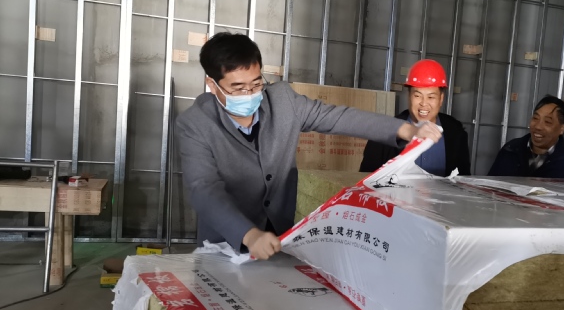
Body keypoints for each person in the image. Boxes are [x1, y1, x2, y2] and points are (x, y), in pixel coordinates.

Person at [176, 33, 442, 260]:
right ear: (212, 85)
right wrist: (248, 234)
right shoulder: (195, 124)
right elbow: (204, 189)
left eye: (256, 84)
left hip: (280, 238)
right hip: (226, 244)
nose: (250, 94)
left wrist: (406, 129)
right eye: (238, 88)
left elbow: (337, 118)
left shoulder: (282, 101)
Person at [359, 59, 471, 177]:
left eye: (431, 97)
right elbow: (365, 180)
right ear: (409, 96)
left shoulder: (456, 134)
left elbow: (463, 179)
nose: (424, 103)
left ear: (441, 99)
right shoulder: (384, 135)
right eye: (417, 96)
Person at [488, 95, 564, 179]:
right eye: (535, 118)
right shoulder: (510, 150)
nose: (538, 126)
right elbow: (489, 188)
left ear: (562, 128)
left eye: (547, 122)